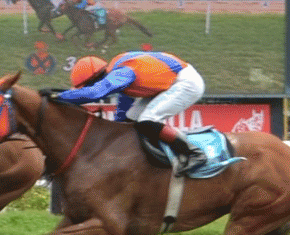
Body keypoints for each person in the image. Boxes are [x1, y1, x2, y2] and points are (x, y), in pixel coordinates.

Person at [57, 50, 208, 173]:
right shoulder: (119, 71)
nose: (87, 89)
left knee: (147, 120)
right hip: (171, 82)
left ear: (95, 78)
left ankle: (195, 153)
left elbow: (96, 92)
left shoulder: (122, 73)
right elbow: (124, 112)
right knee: (132, 119)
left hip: (187, 83)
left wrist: (60, 97)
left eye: (87, 86)